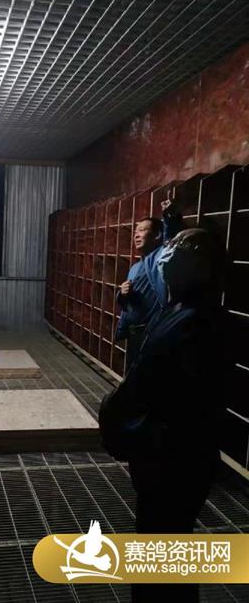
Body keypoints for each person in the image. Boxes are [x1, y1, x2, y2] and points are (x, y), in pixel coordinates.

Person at [100, 228, 230, 603]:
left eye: (178, 247)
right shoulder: (181, 314)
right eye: (170, 245)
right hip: (168, 461)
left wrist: (121, 424)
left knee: (163, 556)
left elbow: (160, 395)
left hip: (173, 464)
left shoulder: (196, 324)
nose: (168, 255)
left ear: (202, 266)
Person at [115, 197, 182, 368]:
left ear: (157, 235)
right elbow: (127, 304)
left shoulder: (159, 259)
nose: (136, 235)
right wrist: (122, 293)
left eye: (142, 230)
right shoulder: (136, 267)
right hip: (134, 335)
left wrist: (170, 217)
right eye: (135, 232)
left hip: (152, 333)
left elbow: (170, 242)